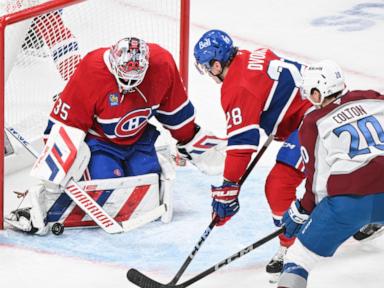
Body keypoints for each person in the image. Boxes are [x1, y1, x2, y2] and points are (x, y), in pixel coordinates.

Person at [6, 37, 226, 235]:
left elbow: (175, 112)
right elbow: (65, 123)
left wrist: (190, 138)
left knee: (146, 181)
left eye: (135, 80)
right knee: (109, 183)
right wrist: (56, 168)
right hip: (100, 142)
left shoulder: (162, 64)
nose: (129, 87)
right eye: (124, 79)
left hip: (139, 138)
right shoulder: (92, 69)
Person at [191, 29, 312, 279]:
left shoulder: (237, 86)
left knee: (279, 185)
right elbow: (276, 93)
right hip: (315, 110)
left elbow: (242, 144)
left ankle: (296, 249)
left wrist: (228, 188)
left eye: (205, 67)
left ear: (216, 65)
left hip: (315, 121)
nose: (207, 73)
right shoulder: (249, 56)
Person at [277, 60, 384, 288]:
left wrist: (302, 210)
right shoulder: (372, 97)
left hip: (349, 203)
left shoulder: (313, 122)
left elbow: (318, 184)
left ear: (317, 92)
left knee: (298, 259)